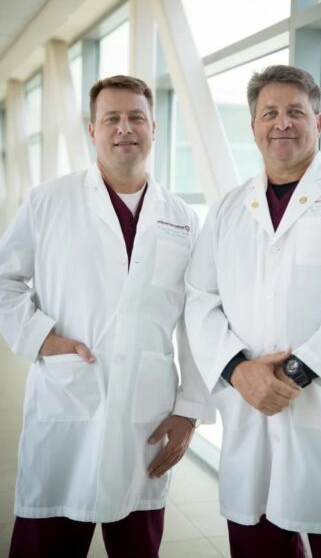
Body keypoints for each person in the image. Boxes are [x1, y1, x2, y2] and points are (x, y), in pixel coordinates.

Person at [185, 64, 321, 558]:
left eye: (295, 112)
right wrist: (238, 371)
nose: (282, 123)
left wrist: (296, 373)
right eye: (270, 113)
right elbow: (200, 298)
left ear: (318, 122)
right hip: (250, 418)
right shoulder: (227, 209)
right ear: (254, 126)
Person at [0, 74, 214, 558]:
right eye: (112, 118)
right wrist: (41, 337)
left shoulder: (183, 217)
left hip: (148, 417)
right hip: (67, 403)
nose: (124, 128)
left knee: (137, 545)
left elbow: (196, 317)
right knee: (45, 542)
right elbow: (4, 279)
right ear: (91, 130)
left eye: (136, 117)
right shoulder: (49, 201)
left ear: (154, 128)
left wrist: (190, 409)